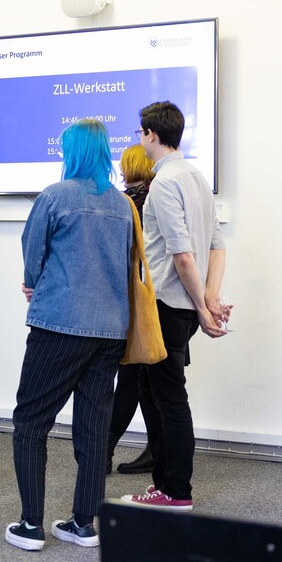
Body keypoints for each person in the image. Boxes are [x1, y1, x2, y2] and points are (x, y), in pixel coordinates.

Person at [6, 118, 133, 552]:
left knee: (30, 422)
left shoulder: (54, 197)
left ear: (71, 152)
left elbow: (32, 253)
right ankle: (83, 523)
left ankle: (30, 525)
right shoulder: (122, 205)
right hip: (111, 330)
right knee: (94, 428)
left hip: (60, 325)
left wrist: (33, 282)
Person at [120, 101, 230, 513]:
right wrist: (211, 299)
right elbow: (217, 246)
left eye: (139, 132)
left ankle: (176, 491)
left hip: (168, 304)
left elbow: (183, 254)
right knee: (155, 392)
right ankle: (164, 484)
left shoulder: (166, 183)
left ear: (151, 134)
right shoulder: (196, 177)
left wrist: (204, 307)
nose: (139, 139)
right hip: (183, 306)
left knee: (168, 398)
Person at [107, 144, 158, 474]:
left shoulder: (136, 202)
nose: (122, 170)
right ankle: (156, 448)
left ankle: (103, 449)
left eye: (125, 164)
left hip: (145, 301)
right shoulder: (143, 197)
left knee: (134, 378)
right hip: (154, 299)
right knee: (147, 382)